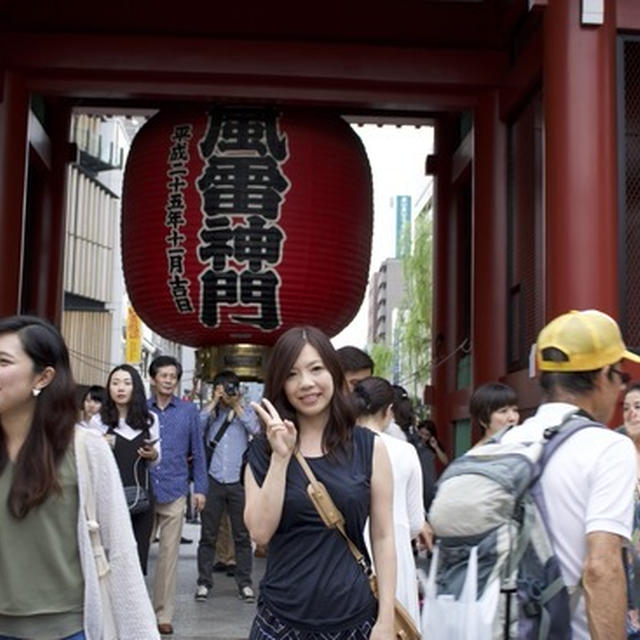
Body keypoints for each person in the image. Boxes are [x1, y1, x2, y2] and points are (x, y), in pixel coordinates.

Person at [0, 315, 159, 640]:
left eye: (2, 361)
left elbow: (121, 553)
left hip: (70, 630)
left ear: (43, 377)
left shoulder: (86, 450)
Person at [245, 326, 396, 640]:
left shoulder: (370, 447)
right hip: (280, 621)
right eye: (292, 374)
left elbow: (383, 537)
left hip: (355, 619)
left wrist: (385, 620)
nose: (306, 384)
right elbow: (259, 533)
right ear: (280, 384)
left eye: (316, 369)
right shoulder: (262, 450)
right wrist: (281, 456)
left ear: (334, 373)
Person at [500, 309, 638, 639]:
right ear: (604, 375)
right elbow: (601, 568)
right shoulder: (608, 447)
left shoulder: (506, 441)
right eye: (620, 377)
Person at [352, 376, 427, 629]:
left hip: (348, 556)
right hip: (394, 555)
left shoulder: (339, 447)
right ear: (389, 411)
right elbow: (416, 522)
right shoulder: (405, 451)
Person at [148, 355, 208, 636]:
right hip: (144, 491)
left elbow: (198, 450)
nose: (169, 381)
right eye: (164, 376)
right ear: (153, 378)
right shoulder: (141, 410)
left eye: (173, 376)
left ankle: (163, 613)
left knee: (168, 557)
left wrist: (201, 489)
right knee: (133, 554)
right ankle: (134, 607)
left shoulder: (188, 412)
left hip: (175, 490)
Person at [89, 364, 161, 574]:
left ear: (136, 388)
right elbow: (91, 464)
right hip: (109, 499)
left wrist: (152, 454)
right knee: (112, 558)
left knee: (137, 560)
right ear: (109, 388)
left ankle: (133, 605)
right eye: (115, 383)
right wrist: (100, 445)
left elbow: (157, 459)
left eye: (127, 383)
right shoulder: (98, 422)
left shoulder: (150, 420)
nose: (120, 388)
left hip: (141, 498)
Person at [195, 370, 259, 603]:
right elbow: (197, 425)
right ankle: (203, 582)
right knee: (208, 535)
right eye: (223, 388)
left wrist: (237, 406)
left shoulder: (246, 412)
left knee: (242, 535)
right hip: (214, 480)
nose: (228, 393)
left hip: (238, 482)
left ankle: (245, 583)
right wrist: (214, 401)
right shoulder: (211, 414)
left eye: (232, 388)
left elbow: (256, 430)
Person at [619, 381, 640, 638]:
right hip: (624, 564)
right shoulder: (613, 451)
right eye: (626, 408)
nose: (631, 413)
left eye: (638, 407)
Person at [469, 381, 519, 445]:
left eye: (515, 410)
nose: (513, 418)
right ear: (483, 420)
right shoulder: (478, 453)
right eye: (503, 411)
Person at [414, 419, 448, 511]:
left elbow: (445, 461)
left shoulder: (433, 445)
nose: (423, 437)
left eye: (427, 435)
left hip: (429, 483)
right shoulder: (412, 442)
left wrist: (436, 447)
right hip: (416, 481)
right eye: (421, 433)